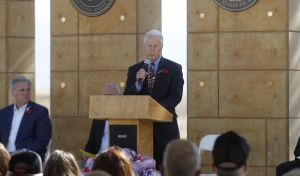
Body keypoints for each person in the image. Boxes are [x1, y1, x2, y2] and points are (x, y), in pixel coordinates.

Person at [124, 29, 184, 168]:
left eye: (155, 46)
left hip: (165, 130)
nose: (151, 49)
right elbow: (127, 98)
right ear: (145, 47)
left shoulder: (174, 68)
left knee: (167, 169)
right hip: (140, 130)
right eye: (149, 45)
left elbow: (175, 96)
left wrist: (153, 110)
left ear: (161, 47)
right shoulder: (134, 70)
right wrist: (138, 83)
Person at [0, 76, 52, 162]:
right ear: (13, 93)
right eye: (22, 90)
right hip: (4, 158)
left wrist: (23, 151)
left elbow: (42, 141)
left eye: (28, 90)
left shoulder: (40, 112)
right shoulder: (3, 113)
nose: (26, 93)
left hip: (27, 158)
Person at [82, 83, 121, 160]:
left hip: (118, 158)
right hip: (99, 159)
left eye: (111, 95)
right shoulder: (98, 117)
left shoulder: (126, 116)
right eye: (105, 95)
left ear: (120, 96)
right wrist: (86, 154)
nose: (108, 98)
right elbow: (92, 142)